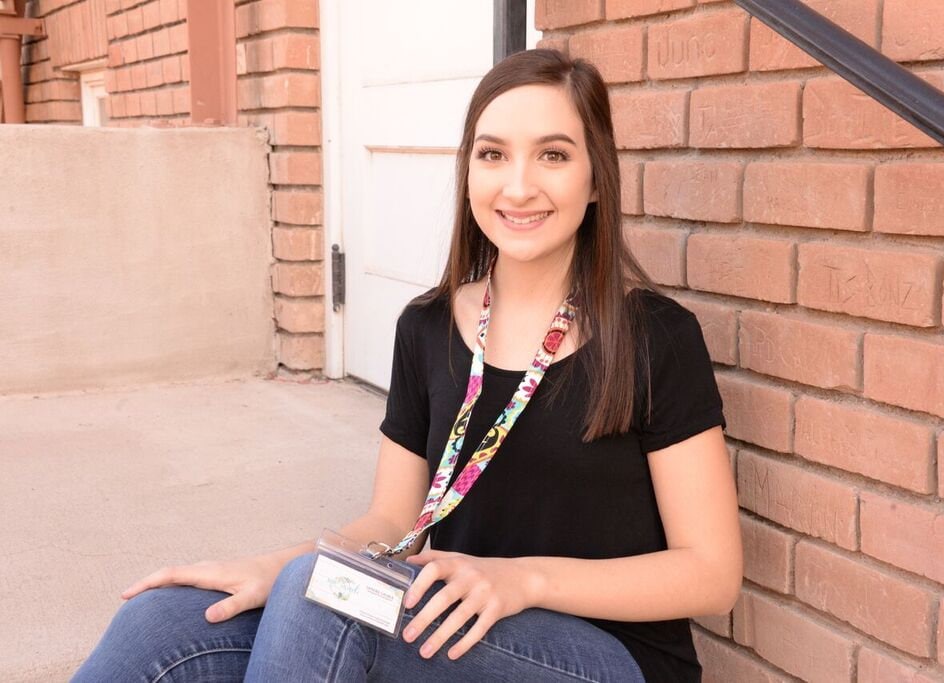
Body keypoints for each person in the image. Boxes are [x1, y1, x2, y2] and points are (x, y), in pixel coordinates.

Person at [72, 48, 742, 683]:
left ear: (596, 179)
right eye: (493, 154)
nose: (518, 185)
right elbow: (391, 522)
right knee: (164, 622)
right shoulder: (427, 326)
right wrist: (279, 566)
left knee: (322, 601)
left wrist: (524, 580)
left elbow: (712, 574)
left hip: (602, 657)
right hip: (446, 624)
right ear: (469, 172)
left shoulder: (654, 337)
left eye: (553, 155)